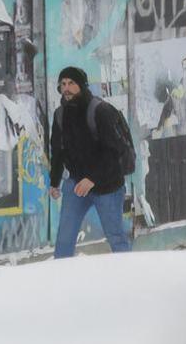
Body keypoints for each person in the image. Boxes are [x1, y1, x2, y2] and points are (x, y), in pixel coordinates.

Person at [49, 65, 136, 259]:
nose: (66, 88)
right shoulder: (60, 114)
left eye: (71, 83)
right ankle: (59, 283)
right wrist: (54, 181)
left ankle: (129, 279)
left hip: (107, 187)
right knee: (64, 240)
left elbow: (114, 151)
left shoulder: (100, 110)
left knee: (116, 237)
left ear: (81, 85)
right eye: (63, 84)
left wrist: (92, 178)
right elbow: (58, 151)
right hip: (76, 185)